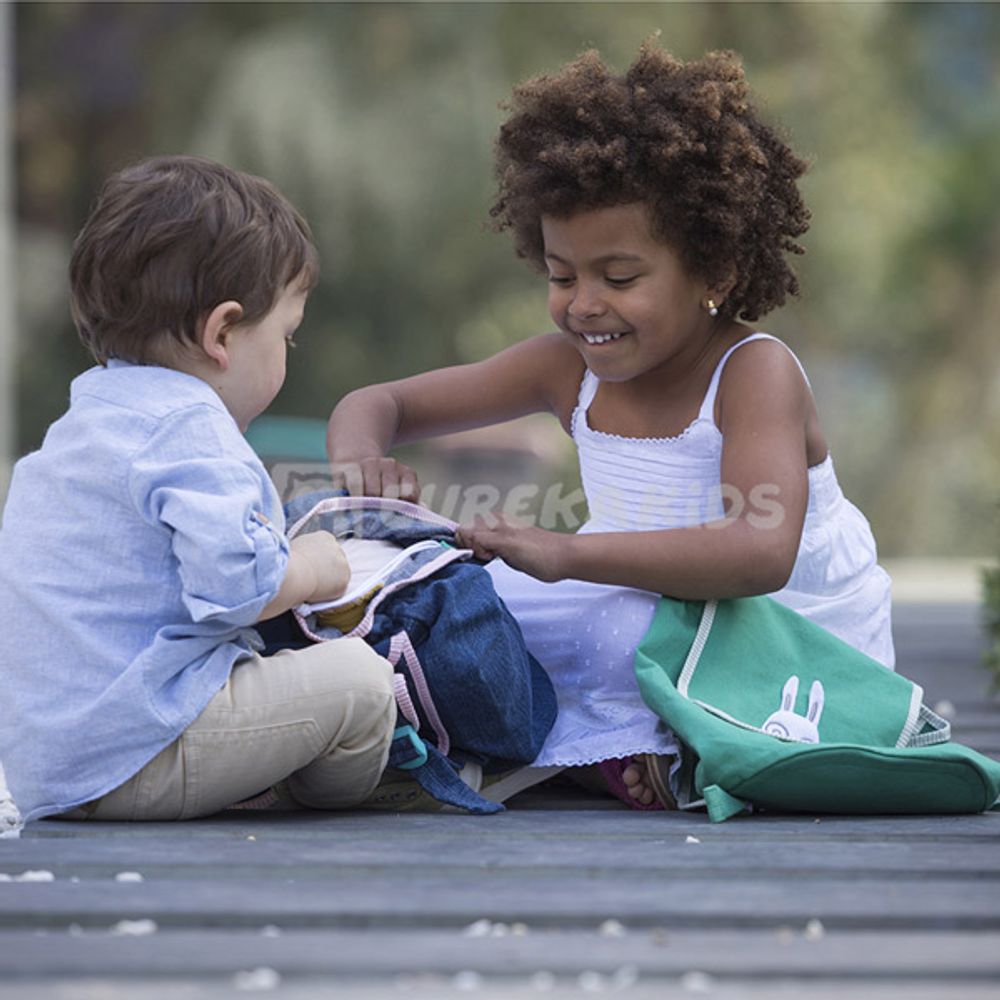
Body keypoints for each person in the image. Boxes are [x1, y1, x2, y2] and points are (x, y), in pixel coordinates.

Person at [325, 42, 894, 809]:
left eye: (619, 278)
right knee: (473, 596)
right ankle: (612, 749)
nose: (583, 303)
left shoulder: (753, 373)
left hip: (777, 630)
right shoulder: (567, 367)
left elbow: (760, 552)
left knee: (619, 636)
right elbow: (378, 403)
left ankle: (620, 749)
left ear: (715, 272)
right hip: (631, 591)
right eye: (562, 276)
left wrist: (565, 554)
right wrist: (361, 454)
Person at [0, 156, 398, 824]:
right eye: (286, 336)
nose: (287, 353)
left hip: (51, 764)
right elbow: (238, 586)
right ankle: (344, 796)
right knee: (361, 682)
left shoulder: (85, 421)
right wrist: (317, 567)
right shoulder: (188, 422)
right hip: (140, 752)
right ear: (223, 333)